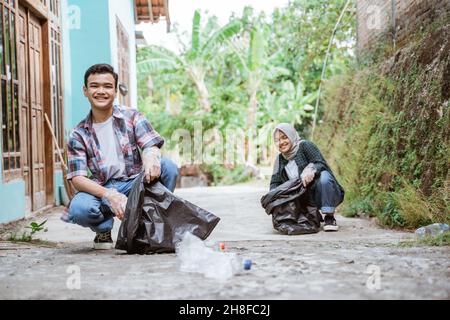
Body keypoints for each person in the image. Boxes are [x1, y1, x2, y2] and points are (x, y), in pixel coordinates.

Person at [63, 64, 179, 249]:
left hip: (134, 181)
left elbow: (151, 143)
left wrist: (150, 156)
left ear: (115, 91)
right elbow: (77, 178)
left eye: (107, 86)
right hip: (103, 187)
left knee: (167, 167)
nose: (101, 91)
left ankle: (151, 223)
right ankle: (102, 229)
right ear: (85, 90)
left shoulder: (131, 116)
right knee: (78, 209)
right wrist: (110, 194)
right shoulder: (78, 134)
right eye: (94, 86)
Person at [270, 123, 344, 232]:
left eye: (284, 137)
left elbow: (321, 163)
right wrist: (274, 198)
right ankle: (312, 216)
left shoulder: (305, 146)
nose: (281, 142)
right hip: (301, 200)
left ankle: (329, 216)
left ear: (291, 135)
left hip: (321, 192)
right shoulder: (279, 160)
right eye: (277, 140)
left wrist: (311, 169)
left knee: (324, 176)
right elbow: (274, 183)